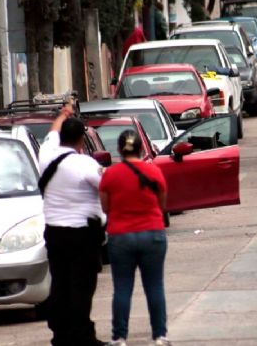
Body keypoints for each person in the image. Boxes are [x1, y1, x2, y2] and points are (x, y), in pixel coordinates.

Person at [39, 104, 106, 346]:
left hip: (54, 233)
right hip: (82, 235)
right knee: (81, 287)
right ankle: (82, 336)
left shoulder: (46, 155)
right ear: (81, 139)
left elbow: (53, 131)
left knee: (60, 283)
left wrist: (63, 114)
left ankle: (61, 335)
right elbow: (107, 186)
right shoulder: (84, 164)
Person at [99, 130, 171, 346]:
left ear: (120, 150)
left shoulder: (110, 175)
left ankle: (119, 337)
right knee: (155, 286)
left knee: (122, 287)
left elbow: (105, 206)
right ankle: (160, 336)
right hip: (152, 234)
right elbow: (162, 204)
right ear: (141, 148)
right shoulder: (154, 171)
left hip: (121, 236)